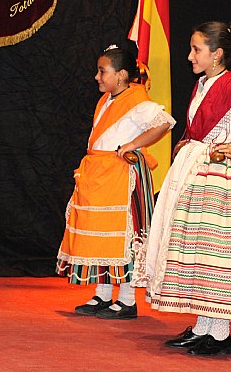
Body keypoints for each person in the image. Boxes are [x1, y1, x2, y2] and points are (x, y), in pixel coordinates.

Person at [132, 21, 231, 356]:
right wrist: (189, 143)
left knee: (216, 254)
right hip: (197, 172)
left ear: (217, 54)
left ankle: (219, 335)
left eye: (196, 49)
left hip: (220, 178)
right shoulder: (204, 84)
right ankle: (205, 327)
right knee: (199, 253)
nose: (190, 56)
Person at [56, 45, 175, 319]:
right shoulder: (107, 99)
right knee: (103, 238)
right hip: (99, 175)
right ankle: (103, 294)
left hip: (119, 177)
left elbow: (164, 122)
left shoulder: (136, 99)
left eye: (102, 71)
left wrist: (133, 144)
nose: (97, 77)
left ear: (121, 75)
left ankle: (127, 300)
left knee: (124, 237)